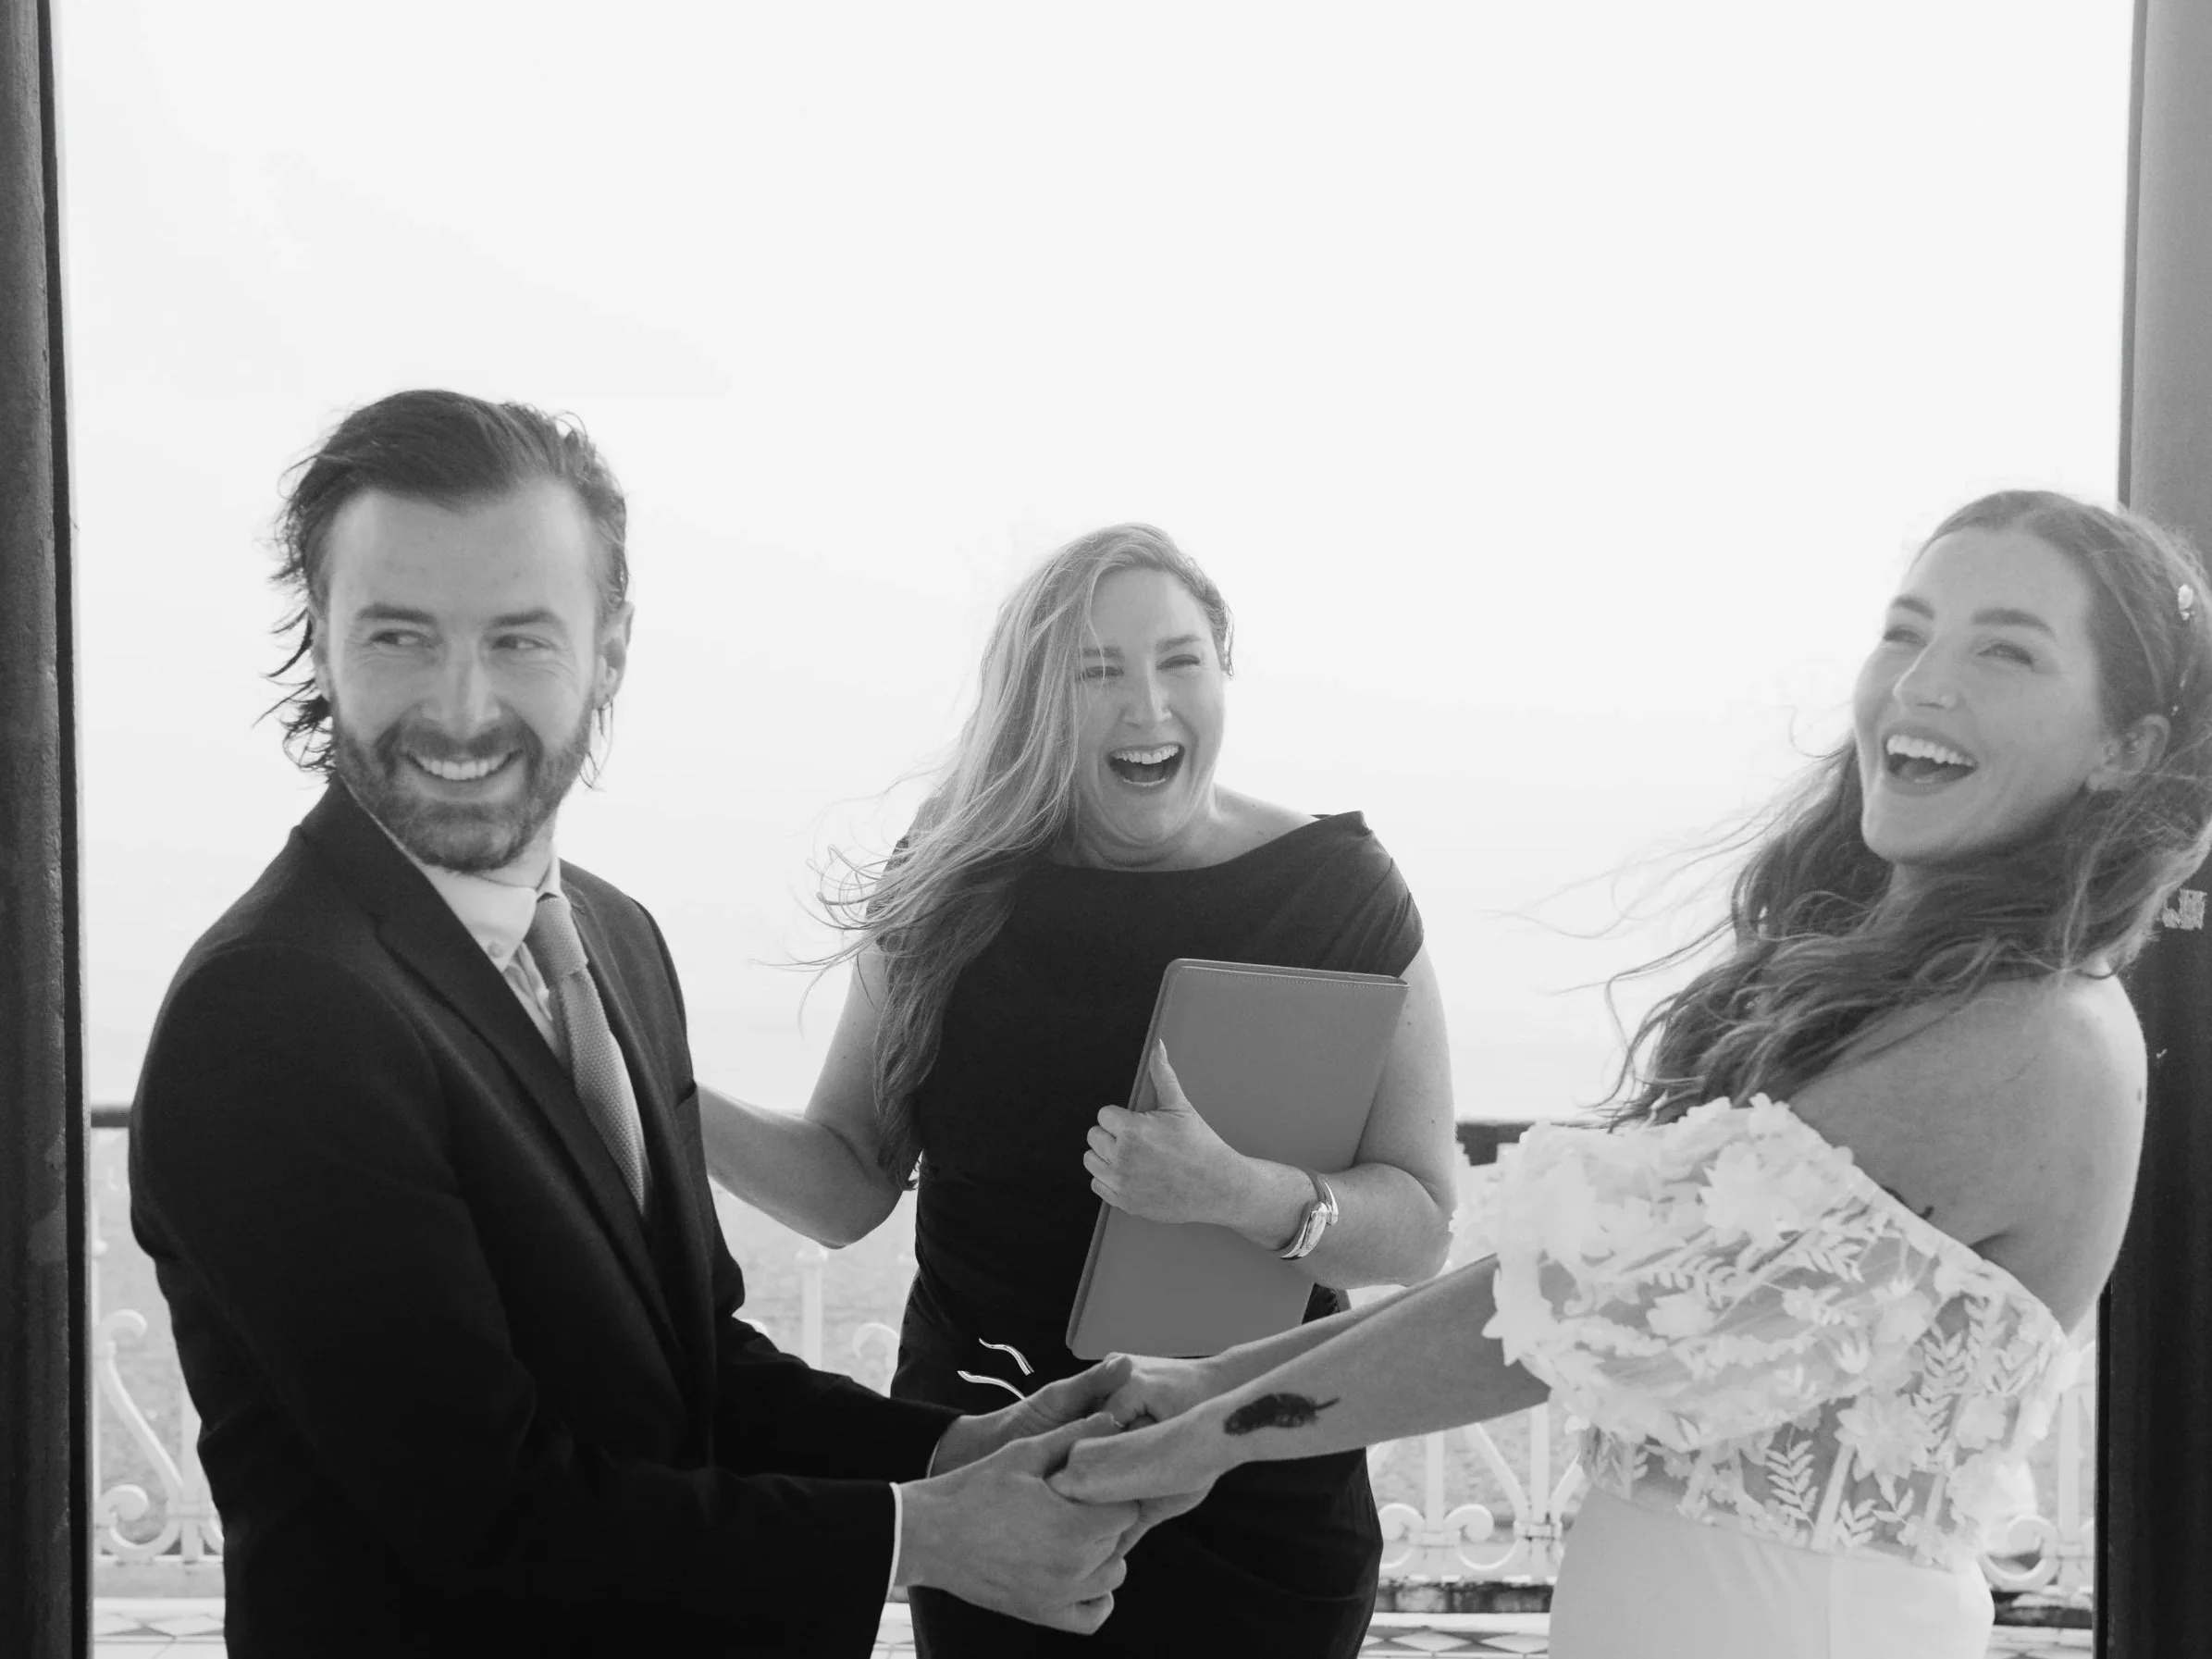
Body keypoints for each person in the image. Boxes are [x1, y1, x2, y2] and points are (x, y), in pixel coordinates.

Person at [1054, 491, 2212, 1659]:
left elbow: (1555, 1314)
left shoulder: (2027, 1036)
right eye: (1906, 630)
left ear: (2127, 748)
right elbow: (1565, 1293)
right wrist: (1204, 1384)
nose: (1920, 682)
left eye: (2005, 648)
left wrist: (1212, 1429)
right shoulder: (1941, 998)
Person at [128, 390, 1145, 1659]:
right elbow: (491, 1517)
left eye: (520, 640)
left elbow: (691, 1360)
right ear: (320, 644)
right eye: (398, 636)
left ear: (607, 652)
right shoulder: (271, 1015)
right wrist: (925, 1533)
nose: (458, 705)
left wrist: (950, 1445)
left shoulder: (612, 937)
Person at [699, 524, 1459, 1656]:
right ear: (1035, 700)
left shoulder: (1340, 890)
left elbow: (1420, 1225)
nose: (1147, 705)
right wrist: (658, 1080)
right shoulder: (951, 876)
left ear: (1223, 669)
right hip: (1002, 1480)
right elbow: (847, 1181)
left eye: (1179, 660)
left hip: (1256, 1480)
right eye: (1097, 671)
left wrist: (1237, 1191)